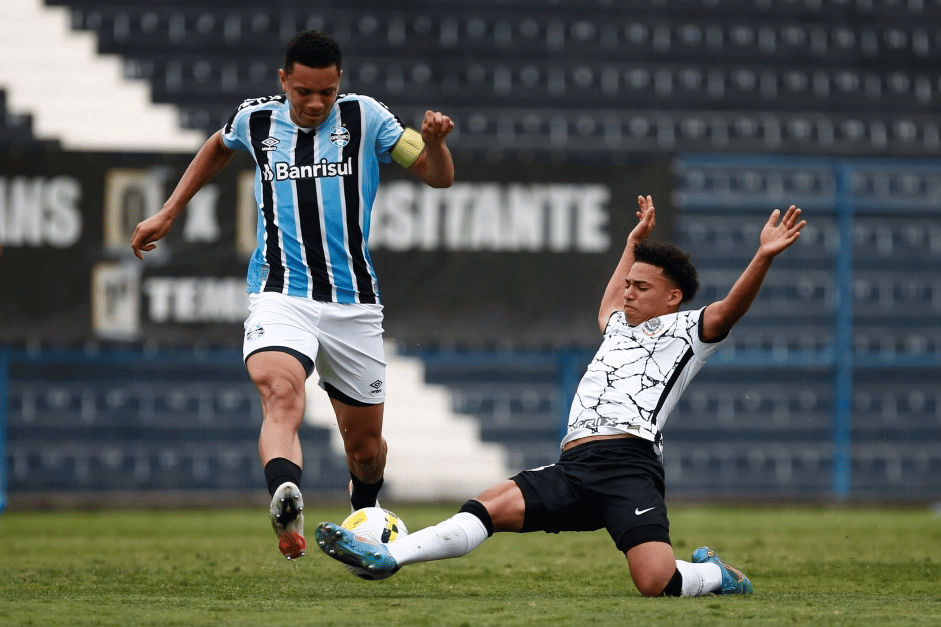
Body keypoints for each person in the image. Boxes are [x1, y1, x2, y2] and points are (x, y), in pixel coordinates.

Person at [314, 195, 806, 596]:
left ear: (672, 297)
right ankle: (388, 557)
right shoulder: (618, 326)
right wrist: (632, 244)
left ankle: (719, 575)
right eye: (629, 284)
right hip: (575, 467)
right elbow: (610, 301)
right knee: (487, 506)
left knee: (656, 583)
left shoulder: (688, 330)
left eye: (642, 287)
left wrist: (762, 256)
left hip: (627, 466)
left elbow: (730, 311)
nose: (629, 293)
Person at [130, 30, 455, 560]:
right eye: (304, 91)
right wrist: (169, 210)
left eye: (326, 92)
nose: (315, 103)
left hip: (353, 303)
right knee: (281, 394)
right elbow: (218, 144)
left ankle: (363, 511)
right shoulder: (256, 120)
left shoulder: (367, 117)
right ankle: (287, 502)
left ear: (339, 84)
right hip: (280, 291)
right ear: (283, 80)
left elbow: (437, 177)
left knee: (366, 451)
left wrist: (436, 144)